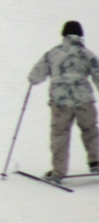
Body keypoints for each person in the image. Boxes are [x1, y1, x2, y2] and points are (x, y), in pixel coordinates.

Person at [27, 21, 99, 183]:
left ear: (64, 35)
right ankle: (95, 162)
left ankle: (58, 171)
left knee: (60, 134)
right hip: (84, 100)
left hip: (60, 101)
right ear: (80, 36)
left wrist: (33, 79)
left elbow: (36, 75)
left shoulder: (53, 54)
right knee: (90, 130)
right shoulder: (87, 54)